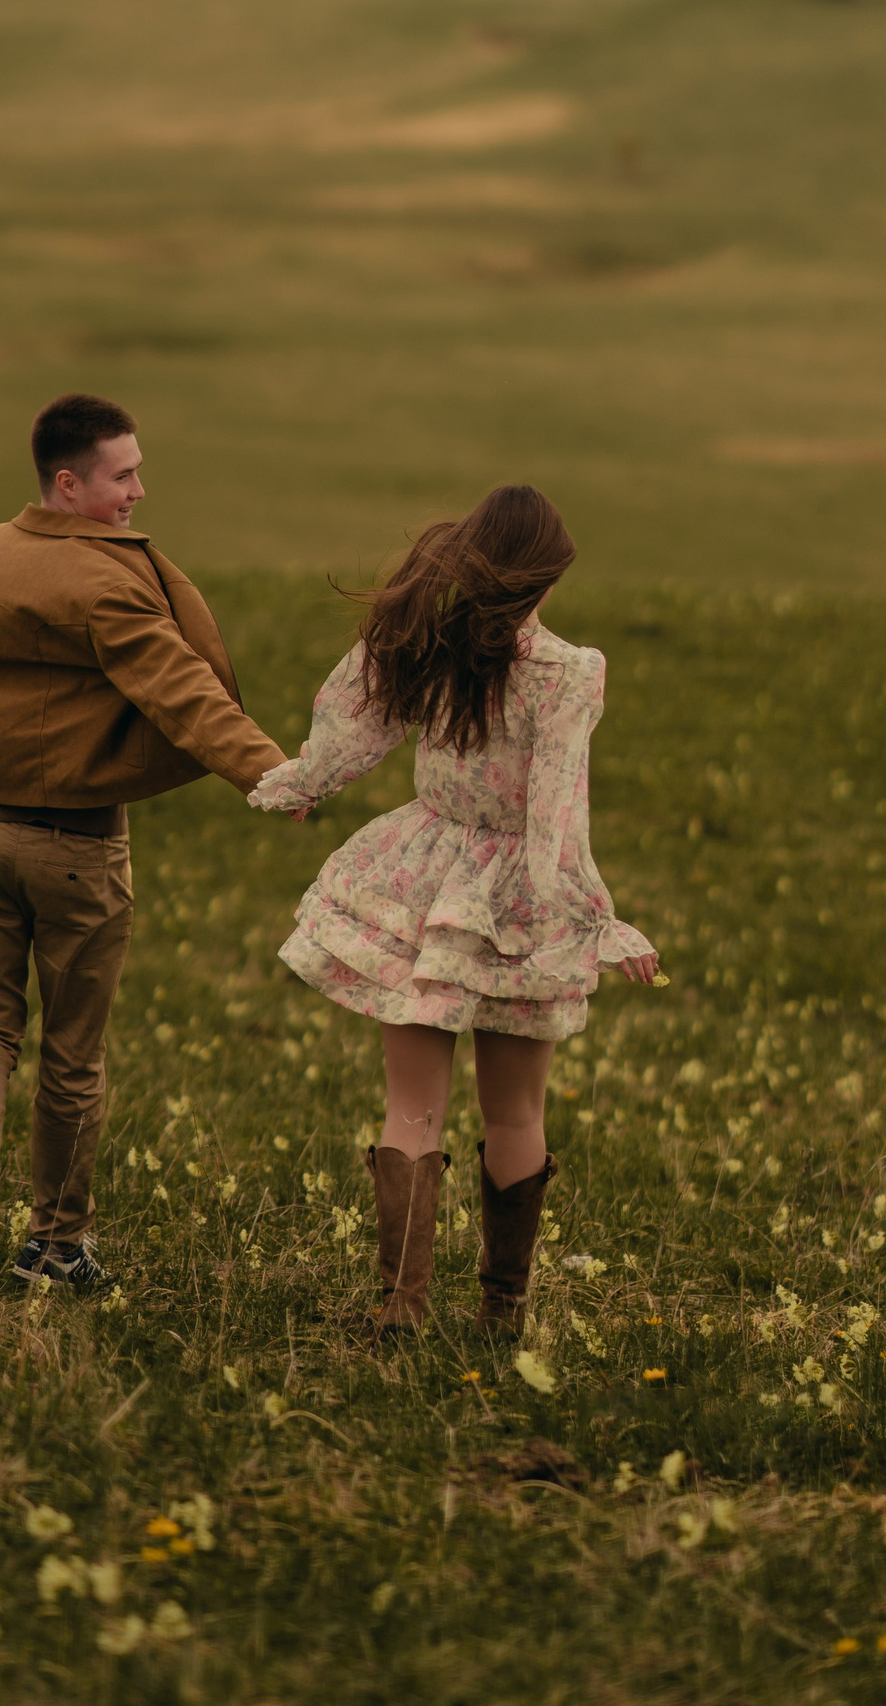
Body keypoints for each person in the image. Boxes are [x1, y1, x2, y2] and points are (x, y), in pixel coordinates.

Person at [248, 484, 659, 1332]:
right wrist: (594, 919)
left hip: (421, 879)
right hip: (518, 898)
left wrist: (306, 781)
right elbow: (555, 815)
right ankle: (502, 1312)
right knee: (517, 1111)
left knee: (412, 1106)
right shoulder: (569, 672)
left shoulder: (426, 638)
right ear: (545, 578)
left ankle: (401, 1308)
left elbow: (354, 726)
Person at [0, 392, 284, 1288]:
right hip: (76, 851)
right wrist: (269, 771)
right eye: (123, 477)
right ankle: (55, 1245)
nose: (138, 493)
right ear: (69, 484)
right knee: (71, 1056)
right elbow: (180, 688)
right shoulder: (108, 582)